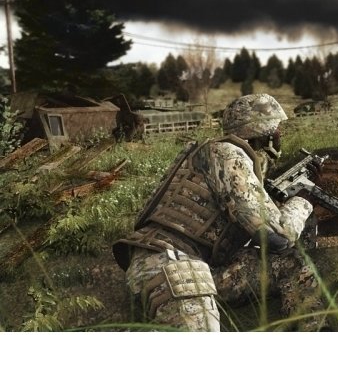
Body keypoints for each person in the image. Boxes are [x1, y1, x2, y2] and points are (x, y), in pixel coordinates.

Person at [113, 93, 323, 331]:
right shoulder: (228, 154)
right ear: (264, 130)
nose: (279, 134)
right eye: (277, 128)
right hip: (170, 261)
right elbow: (277, 237)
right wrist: (303, 200)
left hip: (201, 266)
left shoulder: (212, 153)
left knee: (292, 264)